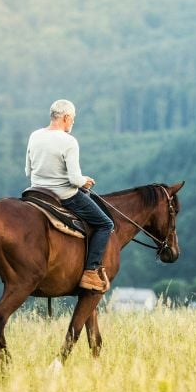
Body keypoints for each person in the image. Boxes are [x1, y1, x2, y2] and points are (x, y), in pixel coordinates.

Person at [25, 99, 114, 293]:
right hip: (64, 195)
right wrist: (85, 181)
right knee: (106, 224)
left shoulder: (35, 135)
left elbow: (27, 170)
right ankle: (90, 272)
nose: (72, 123)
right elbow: (74, 179)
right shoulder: (69, 141)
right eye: (72, 119)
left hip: (36, 193)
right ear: (66, 118)